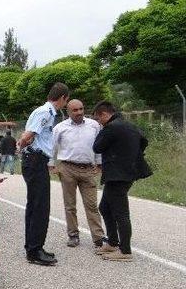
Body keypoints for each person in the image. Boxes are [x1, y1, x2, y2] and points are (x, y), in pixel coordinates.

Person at [17, 82, 70, 266]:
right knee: (40, 206)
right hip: (34, 160)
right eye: (66, 101)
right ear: (63, 98)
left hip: (36, 160)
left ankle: (33, 246)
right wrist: (24, 152)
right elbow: (27, 136)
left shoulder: (46, 112)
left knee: (35, 205)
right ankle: (35, 250)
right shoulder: (45, 113)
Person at [92, 101, 149, 262]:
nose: (98, 122)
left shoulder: (111, 127)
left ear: (104, 114)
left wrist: (102, 132)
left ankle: (125, 250)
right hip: (127, 172)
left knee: (121, 213)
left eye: (98, 119)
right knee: (105, 207)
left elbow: (97, 147)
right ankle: (112, 242)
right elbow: (144, 141)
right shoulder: (130, 125)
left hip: (118, 175)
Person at [51, 99, 110, 249]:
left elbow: (99, 146)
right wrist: (51, 165)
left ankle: (98, 237)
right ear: (68, 112)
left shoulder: (94, 125)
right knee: (70, 205)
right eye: (75, 110)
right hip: (67, 169)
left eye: (81, 109)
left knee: (92, 205)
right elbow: (52, 147)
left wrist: (100, 163)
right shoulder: (60, 128)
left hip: (88, 169)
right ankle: (73, 235)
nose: (79, 112)